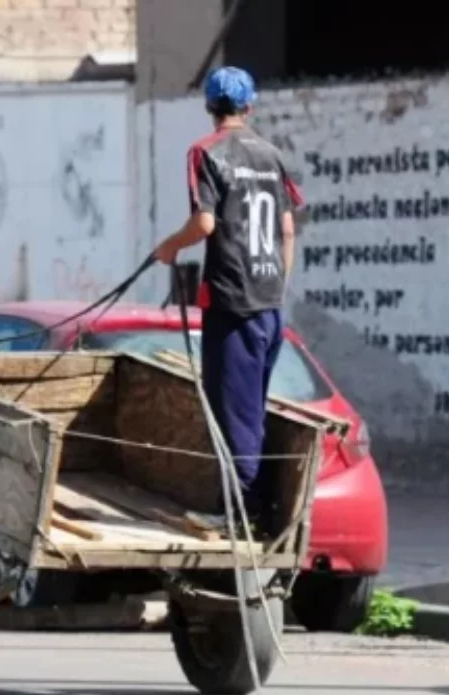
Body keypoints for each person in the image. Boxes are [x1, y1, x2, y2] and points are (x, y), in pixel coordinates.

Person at [152, 66, 304, 536]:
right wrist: (276, 285)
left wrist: (170, 248)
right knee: (251, 408)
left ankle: (238, 516)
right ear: (249, 106)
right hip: (268, 305)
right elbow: (287, 230)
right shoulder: (271, 155)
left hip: (232, 305)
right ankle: (248, 507)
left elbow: (205, 224)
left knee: (233, 412)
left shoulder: (205, 152)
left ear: (209, 107)